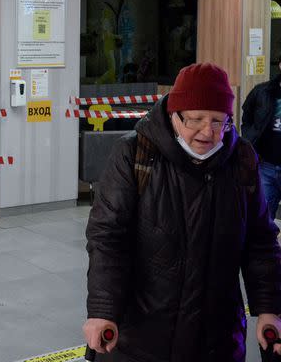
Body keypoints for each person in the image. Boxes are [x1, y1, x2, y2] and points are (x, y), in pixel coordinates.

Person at [85, 62, 281, 361]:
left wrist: (270, 309)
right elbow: (108, 238)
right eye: (196, 119)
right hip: (141, 337)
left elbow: (260, 241)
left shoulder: (241, 159)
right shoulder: (134, 154)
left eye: (219, 121)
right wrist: (102, 310)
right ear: (173, 115)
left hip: (218, 339)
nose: (209, 132)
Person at [242, 60, 281, 220]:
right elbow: (247, 118)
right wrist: (249, 139)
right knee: (263, 220)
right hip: (267, 167)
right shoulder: (262, 92)